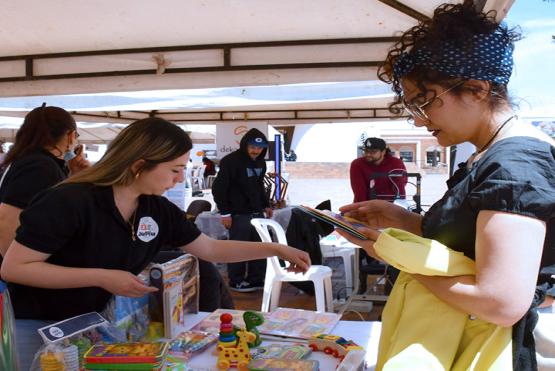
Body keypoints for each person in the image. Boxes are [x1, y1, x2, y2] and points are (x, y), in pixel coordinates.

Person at [338, 2, 554, 369]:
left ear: (476, 89)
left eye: (424, 102)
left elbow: (501, 302)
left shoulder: (514, 165)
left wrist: (397, 256)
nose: (420, 122)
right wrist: (404, 220)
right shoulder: (487, 156)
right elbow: (470, 243)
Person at [0, 118, 310, 370]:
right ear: (139, 165)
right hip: (38, 327)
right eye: (175, 170)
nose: (179, 180)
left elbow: (210, 249)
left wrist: (276, 249)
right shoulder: (69, 201)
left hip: (91, 327)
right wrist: (102, 276)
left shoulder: (154, 208)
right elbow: (15, 268)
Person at [0, 105, 89, 259]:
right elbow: (7, 220)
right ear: (71, 136)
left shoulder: (33, 161)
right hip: (19, 270)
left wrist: (74, 175)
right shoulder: (40, 166)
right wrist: (15, 271)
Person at [212, 128, 273, 292]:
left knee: (260, 247)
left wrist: (266, 204)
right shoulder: (230, 161)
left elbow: (259, 185)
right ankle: (236, 280)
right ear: (245, 145)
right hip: (238, 214)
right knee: (238, 249)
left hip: (257, 212)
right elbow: (219, 188)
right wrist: (225, 212)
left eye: (260, 148)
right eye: (252, 146)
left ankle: (256, 279)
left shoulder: (261, 162)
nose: (256, 150)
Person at [349, 137, 407, 203]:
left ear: (383, 152)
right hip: (366, 204)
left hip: (392, 204)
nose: (368, 154)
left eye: (373, 152)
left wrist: (399, 206)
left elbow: (400, 186)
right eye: (366, 151)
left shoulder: (396, 163)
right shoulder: (357, 164)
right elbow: (359, 191)